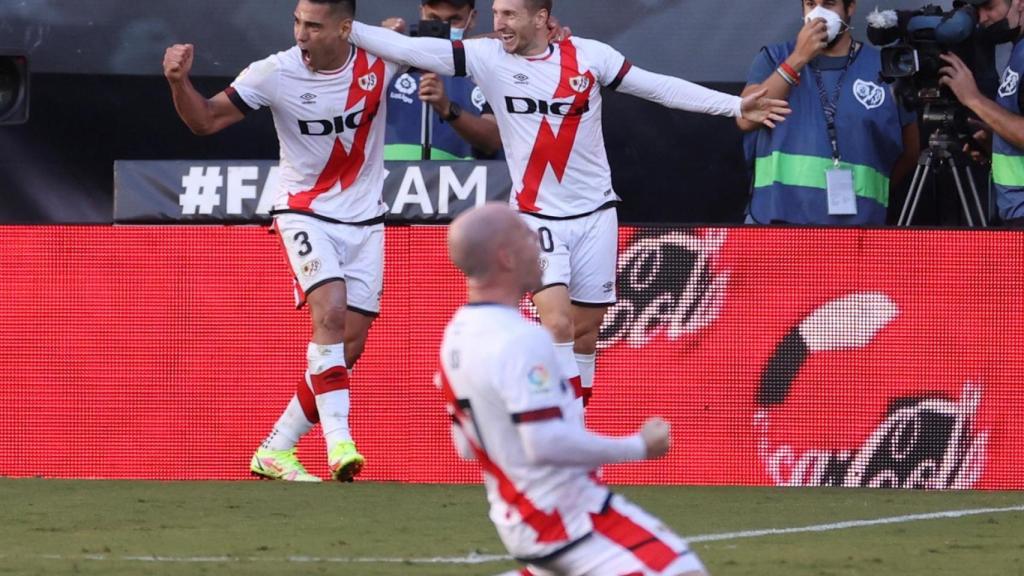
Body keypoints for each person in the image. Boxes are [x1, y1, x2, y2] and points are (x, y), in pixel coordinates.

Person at [346, 0, 789, 410]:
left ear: (541, 18)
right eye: (496, 13)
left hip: (596, 216)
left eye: (511, 15)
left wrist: (732, 105)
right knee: (556, 325)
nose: (500, 23)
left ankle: (568, 430)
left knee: (583, 337)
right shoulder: (487, 59)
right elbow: (409, 48)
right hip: (536, 218)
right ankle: (565, 445)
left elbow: (657, 87)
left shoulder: (590, 57)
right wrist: (349, 28)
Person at [163, 0, 403, 482]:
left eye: (313, 26)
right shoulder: (273, 72)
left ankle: (276, 449)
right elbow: (205, 121)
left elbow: (460, 52)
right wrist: (177, 82)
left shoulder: (383, 57)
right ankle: (340, 441)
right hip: (302, 209)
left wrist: (532, 44)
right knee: (330, 312)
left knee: (347, 345)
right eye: (297, 22)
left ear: (345, 28)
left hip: (365, 219)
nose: (301, 34)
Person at [440, 203, 710, 576]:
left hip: (517, 514)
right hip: (563, 514)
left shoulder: (454, 337)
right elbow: (545, 442)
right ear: (505, 258)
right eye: (525, 236)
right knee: (682, 570)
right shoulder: (522, 340)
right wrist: (638, 446)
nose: (537, 242)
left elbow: (466, 447)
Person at [738, 0, 920, 225]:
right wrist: (798, 58)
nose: (819, 13)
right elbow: (744, 119)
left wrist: (867, 195)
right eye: (810, 4)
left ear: (850, 7)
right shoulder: (775, 57)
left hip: (858, 232)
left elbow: (911, 152)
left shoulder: (883, 68)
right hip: (774, 227)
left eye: (829, 3)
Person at [380, 0, 503, 160]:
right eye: (434, 19)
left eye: (454, 20)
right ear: (421, 12)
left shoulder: (488, 66)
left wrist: (447, 109)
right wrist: (377, 46)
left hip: (460, 181)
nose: (443, 27)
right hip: (393, 181)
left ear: (471, 18)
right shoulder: (392, 57)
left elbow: (493, 141)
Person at [939, 0, 1024, 227]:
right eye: (977, 11)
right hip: (1013, 214)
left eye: (989, 7)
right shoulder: (1018, 51)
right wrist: (996, 144)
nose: (982, 18)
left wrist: (973, 98)